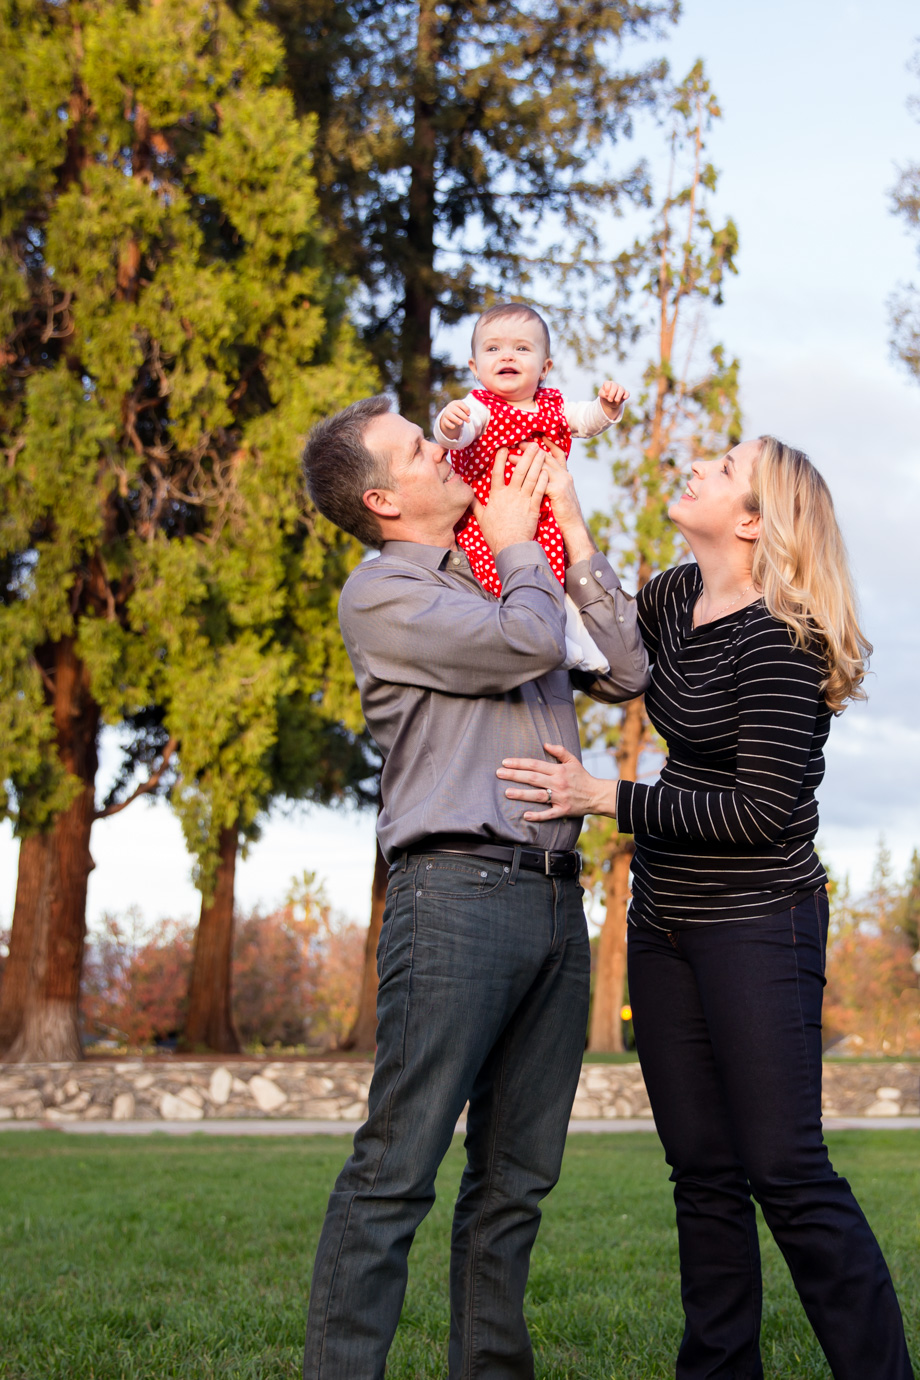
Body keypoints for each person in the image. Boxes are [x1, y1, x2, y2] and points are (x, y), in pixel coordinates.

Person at [496, 435, 914, 1380]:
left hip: (761, 924)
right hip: (665, 922)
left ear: (756, 520)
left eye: (724, 468)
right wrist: (555, 508)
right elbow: (615, 663)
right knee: (704, 1178)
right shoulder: (679, 593)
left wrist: (611, 797)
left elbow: (765, 809)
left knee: (786, 1173)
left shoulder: (782, 636)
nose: (698, 466)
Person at [299, 394, 648, 1379]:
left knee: (514, 1182)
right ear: (381, 497)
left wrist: (566, 533)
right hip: (452, 897)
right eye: (416, 447)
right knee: (397, 1167)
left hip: (551, 899)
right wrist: (517, 545)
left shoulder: (505, 572)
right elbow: (526, 644)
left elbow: (624, 668)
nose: (442, 447)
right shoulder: (384, 593)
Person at [433, 301, 629, 670]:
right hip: (489, 520)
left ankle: (577, 640)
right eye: (493, 349)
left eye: (522, 348)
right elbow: (460, 434)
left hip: (546, 517)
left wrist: (607, 407)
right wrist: (449, 425)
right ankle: (551, 640)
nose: (507, 355)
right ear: (475, 368)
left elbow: (586, 421)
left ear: (545, 367)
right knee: (502, 581)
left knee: (555, 575)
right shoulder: (479, 406)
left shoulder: (552, 405)